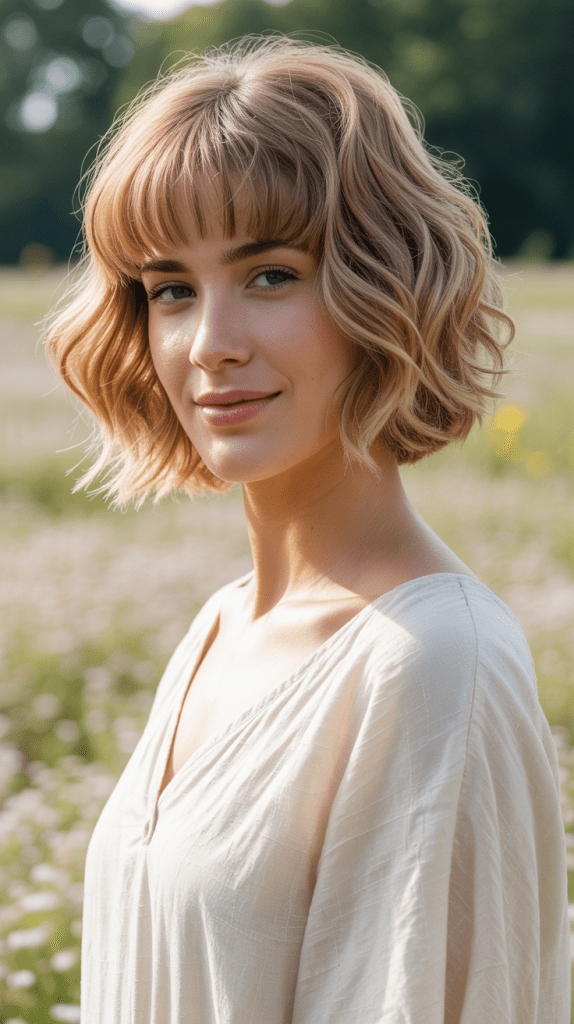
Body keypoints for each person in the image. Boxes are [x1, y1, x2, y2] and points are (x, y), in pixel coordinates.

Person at [45, 35, 570, 1024]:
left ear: (382, 286)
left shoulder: (433, 669)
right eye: (171, 290)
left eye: (271, 275)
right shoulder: (218, 629)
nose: (211, 343)